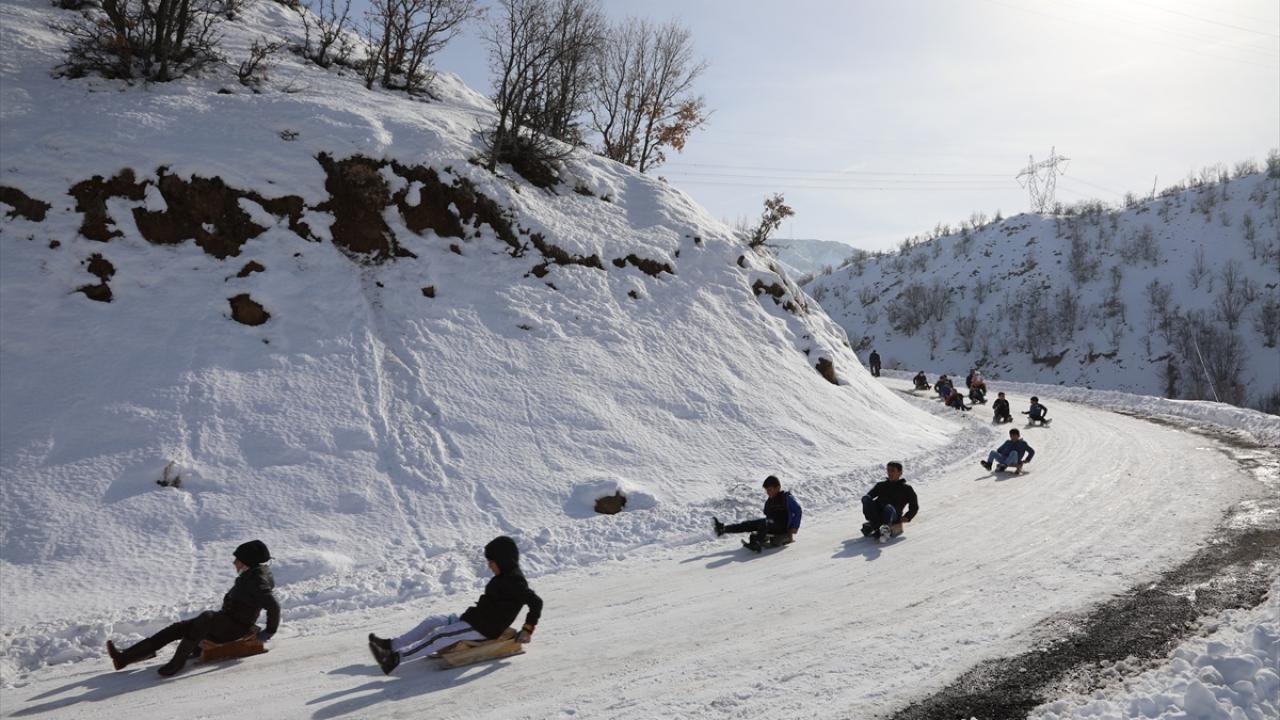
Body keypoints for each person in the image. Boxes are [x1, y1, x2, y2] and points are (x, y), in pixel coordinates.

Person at [368, 536, 542, 675]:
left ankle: (394, 659)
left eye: (492, 561)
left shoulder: (515, 581)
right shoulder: (504, 576)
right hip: (472, 620)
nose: (489, 565)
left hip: (483, 628)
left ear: (503, 560)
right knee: (433, 621)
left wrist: (527, 629)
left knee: (439, 636)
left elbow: (536, 602)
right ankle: (391, 645)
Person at [106, 540, 280, 677]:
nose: (234, 562)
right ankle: (124, 658)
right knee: (178, 628)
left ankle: (178, 661)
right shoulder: (251, 575)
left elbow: (273, 606)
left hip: (235, 629)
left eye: (237, 559)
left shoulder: (256, 580)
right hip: (227, 623)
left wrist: (268, 632)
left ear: (247, 562)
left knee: (207, 617)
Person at [712, 475, 803, 551]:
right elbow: (767, 513)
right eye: (766, 490)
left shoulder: (786, 497)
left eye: (770, 489)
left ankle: (757, 543)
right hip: (772, 524)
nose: (768, 492)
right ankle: (723, 529)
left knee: (765, 522)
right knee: (750, 524)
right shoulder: (770, 501)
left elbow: (798, 510)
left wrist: (794, 527)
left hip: (782, 527)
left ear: (778, 487)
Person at [860, 462, 919, 540]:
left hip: (892, 514)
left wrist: (908, 516)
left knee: (889, 507)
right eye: (888, 470)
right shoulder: (881, 485)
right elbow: (869, 497)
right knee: (866, 498)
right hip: (877, 514)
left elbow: (914, 506)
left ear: (900, 472)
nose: (890, 473)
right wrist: (867, 502)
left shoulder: (906, 489)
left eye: (892, 471)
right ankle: (877, 527)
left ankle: (883, 528)